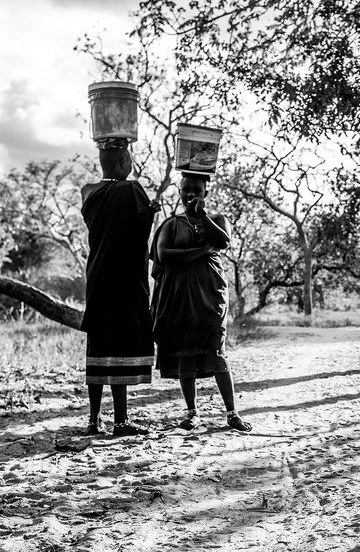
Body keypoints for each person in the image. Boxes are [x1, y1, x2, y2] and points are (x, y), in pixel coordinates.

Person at [150, 173, 251, 432]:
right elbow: (164, 254)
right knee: (185, 355)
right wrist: (201, 251)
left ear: (205, 193)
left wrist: (202, 216)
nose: (190, 194)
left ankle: (232, 413)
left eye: (196, 190)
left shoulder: (217, 220)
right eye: (186, 190)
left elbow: (223, 241)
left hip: (211, 296)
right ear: (180, 191)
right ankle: (193, 413)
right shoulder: (171, 224)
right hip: (179, 298)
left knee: (216, 352)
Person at [80, 137, 157, 436]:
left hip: (98, 281)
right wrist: (151, 212)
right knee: (121, 348)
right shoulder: (132, 189)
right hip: (124, 282)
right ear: (125, 163)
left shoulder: (89, 192)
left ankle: (93, 420)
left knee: (98, 349)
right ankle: (121, 421)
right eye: (130, 161)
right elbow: (138, 236)